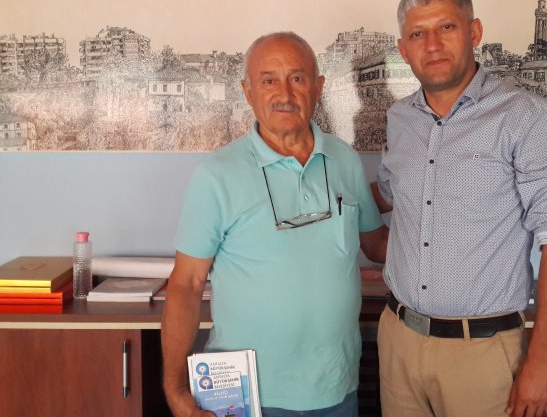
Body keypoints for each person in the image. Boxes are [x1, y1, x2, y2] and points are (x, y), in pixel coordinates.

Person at [372, 0, 547, 417]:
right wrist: (321, 188)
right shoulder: (399, 118)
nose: (432, 45)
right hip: (398, 343)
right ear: (403, 49)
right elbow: (392, 195)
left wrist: (543, 360)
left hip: (482, 353)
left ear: (474, 32)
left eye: (446, 28)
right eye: (418, 34)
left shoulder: (522, 115)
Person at [162, 32, 388, 417]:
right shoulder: (215, 175)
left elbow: (375, 243)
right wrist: (175, 387)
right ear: (248, 92)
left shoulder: (345, 161)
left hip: (336, 388)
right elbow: (186, 284)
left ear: (318, 87)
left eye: (297, 78)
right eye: (269, 81)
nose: (284, 93)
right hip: (246, 397)